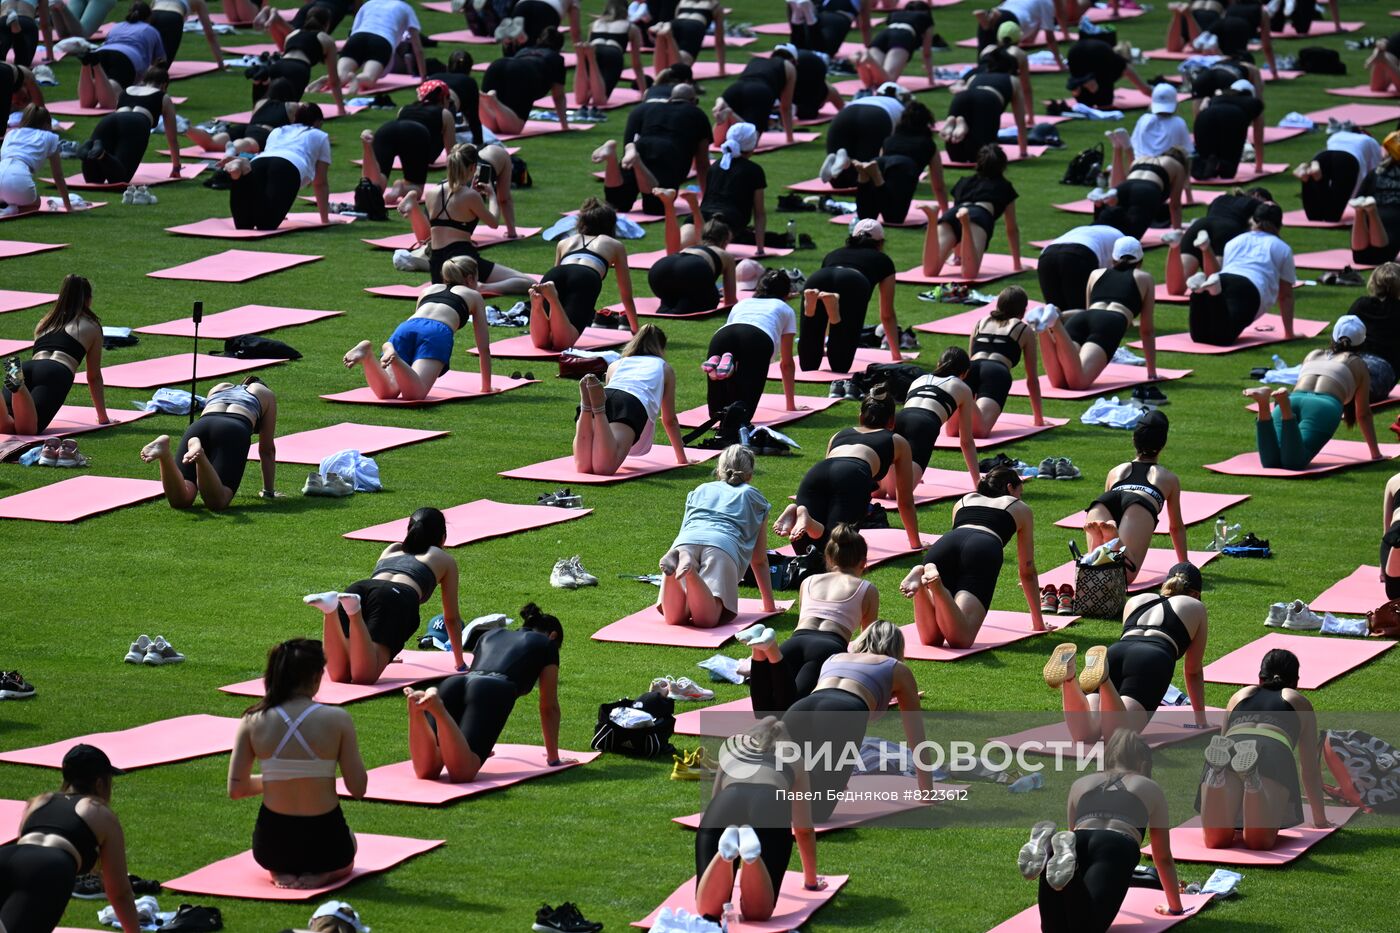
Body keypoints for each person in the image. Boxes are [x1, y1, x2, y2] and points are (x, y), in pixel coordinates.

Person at [228, 639, 367, 889]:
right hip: (328, 848)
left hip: (272, 848)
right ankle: (324, 876)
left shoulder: (252, 720)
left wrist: (277, 776)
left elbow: (237, 789)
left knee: (285, 852)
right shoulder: (338, 719)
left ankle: (278, 873)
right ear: (315, 677)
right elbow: (358, 788)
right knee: (351, 847)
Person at [1024, 730, 1188, 932]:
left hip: (1077, 839)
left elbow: (1070, 835)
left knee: (1054, 929)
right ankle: (1069, 870)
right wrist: (1175, 908)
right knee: (1087, 929)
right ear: (1144, 762)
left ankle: (1049, 850)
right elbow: (1161, 856)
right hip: (1116, 844)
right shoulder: (1150, 787)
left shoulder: (1080, 784)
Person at [781, 620, 930, 820]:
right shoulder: (897, 668)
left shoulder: (835, 658)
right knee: (817, 812)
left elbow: (822, 710)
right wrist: (926, 790)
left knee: (782, 785)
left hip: (800, 709)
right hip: (844, 713)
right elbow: (916, 734)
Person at [1046, 563, 1209, 744]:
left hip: (1115, 652)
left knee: (1085, 734)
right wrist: (1200, 721)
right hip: (1152, 658)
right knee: (1118, 735)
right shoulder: (1195, 606)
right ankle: (1105, 679)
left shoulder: (1137, 600)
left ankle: (1069, 678)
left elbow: (1130, 640)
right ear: (1195, 594)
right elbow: (1192, 670)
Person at [403, 603, 569, 782]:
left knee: (427, 772)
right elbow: (548, 706)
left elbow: (473, 688)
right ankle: (439, 712)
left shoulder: (491, 635)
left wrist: (481, 741)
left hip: (455, 683)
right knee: (462, 773)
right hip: (493, 688)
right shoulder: (547, 645)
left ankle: (417, 711)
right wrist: (553, 759)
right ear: (553, 636)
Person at [302, 508, 466, 683]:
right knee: (364, 678)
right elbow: (451, 618)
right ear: (443, 537)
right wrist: (460, 663)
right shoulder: (443, 558)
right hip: (394, 597)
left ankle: (330, 610)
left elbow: (375, 600)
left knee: (339, 675)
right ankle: (353, 612)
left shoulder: (392, 548)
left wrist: (385, 654)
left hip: (358, 589)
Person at [1197, 648, 1330, 850]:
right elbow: (1309, 769)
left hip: (1233, 744)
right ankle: (1252, 780)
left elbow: (1225, 740)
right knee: (1258, 842)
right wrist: (1320, 821)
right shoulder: (1298, 701)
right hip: (1271, 750)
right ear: (1296, 681)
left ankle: (1216, 775)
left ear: (1260, 678)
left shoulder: (1239, 695)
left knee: (1216, 841)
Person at [0, 743, 141, 932]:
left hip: (7, 857)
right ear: (100, 783)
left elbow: (25, 854)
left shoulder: (40, 801)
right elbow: (119, 892)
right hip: (49, 868)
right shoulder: (99, 811)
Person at [694, 719, 822, 922]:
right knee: (758, 913)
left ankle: (725, 854)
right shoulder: (795, 758)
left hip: (727, 802)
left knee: (707, 910)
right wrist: (811, 882)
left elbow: (713, 802)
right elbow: (804, 829)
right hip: (768, 803)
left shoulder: (732, 749)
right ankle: (751, 856)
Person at [900, 467, 1043, 647]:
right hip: (982, 548)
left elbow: (959, 545)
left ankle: (923, 582)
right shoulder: (1018, 507)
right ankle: (936, 587)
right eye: (1019, 492)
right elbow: (1027, 570)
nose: (1020, 497)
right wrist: (1038, 623)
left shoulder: (964, 500)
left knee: (932, 639)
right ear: (1010, 488)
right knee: (961, 639)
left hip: (944, 546)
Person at [745, 523, 877, 712]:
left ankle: (760, 650)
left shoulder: (808, 581)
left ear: (829, 558)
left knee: (765, 710)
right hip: (827, 648)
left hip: (794, 642)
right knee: (791, 708)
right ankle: (766, 648)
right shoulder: (866, 588)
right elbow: (868, 643)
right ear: (863, 562)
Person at [773, 388, 922, 555]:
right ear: (892, 421)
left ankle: (799, 513)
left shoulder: (839, 434)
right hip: (852, 475)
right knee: (836, 550)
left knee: (806, 551)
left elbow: (830, 480)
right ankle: (804, 517)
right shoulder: (897, 441)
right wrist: (916, 543)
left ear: (860, 416)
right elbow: (905, 500)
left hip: (817, 473)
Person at [1243, 316, 1381, 470]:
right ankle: (1284, 407)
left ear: (1333, 337)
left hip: (1294, 398)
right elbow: (1363, 414)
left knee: (1271, 462)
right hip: (1322, 407)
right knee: (1294, 462)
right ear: (1362, 342)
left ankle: (1264, 404)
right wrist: (1376, 454)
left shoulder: (1313, 354)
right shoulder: (1358, 364)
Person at [661, 444, 777, 628]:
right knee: (707, 620)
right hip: (722, 546)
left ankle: (676, 564)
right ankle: (689, 571)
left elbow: (685, 529)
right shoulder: (753, 496)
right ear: (750, 475)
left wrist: (682, 549)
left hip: (684, 542)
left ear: (719, 471)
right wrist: (769, 606)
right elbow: (759, 559)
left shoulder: (700, 489)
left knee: (675, 619)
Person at [343, 257, 490, 400]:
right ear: (470, 278)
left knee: (387, 392)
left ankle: (367, 355)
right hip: (437, 331)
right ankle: (396, 359)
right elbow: (483, 347)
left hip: (407, 327)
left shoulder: (429, 289)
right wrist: (486, 387)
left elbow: (418, 321)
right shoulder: (474, 295)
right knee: (415, 395)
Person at [1032, 235, 1157, 391]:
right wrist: (1152, 373)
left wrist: (1064, 315)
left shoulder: (1096, 274)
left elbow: (1088, 311)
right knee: (1078, 383)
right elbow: (1146, 330)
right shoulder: (1144, 278)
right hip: (1110, 322)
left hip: (1083, 318)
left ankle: (1048, 327)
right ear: (1140, 260)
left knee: (1059, 382)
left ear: (1113, 258)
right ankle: (1054, 323)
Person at [404, 144, 531, 294]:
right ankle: (482, 286)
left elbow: (451, 223)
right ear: (472, 168)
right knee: (528, 282)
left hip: (437, 265)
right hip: (464, 262)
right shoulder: (470, 196)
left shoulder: (432, 194)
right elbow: (494, 223)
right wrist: (491, 195)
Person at [139, 376, 278, 510]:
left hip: (200, 426)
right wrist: (268, 492)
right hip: (233, 428)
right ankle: (200, 457)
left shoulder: (219, 387)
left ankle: (165, 455)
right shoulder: (266, 393)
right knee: (218, 502)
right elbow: (267, 450)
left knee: (181, 500)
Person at [1081, 411, 1188, 584]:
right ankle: (1113, 540)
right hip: (1140, 504)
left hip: (1103, 504)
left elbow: (1114, 508)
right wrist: (1184, 564)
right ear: (1163, 444)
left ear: (1134, 440)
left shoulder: (1115, 471)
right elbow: (1175, 528)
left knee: (1097, 569)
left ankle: (1101, 545)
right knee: (1125, 576)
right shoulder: (1168, 478)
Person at [1, 275, 108, 436]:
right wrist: (103, 418)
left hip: (27, 366)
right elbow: (93, 377)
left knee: (6, 426)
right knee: (28, 429)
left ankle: (16, 379)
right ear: (88, 298)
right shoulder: (91, 325)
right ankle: (19, 387)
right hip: (56, 371)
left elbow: (38, 366)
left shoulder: (45, 322)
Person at [573, 324, 686, 475]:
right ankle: (598, 410)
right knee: (604, 469)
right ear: (662, 347)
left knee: (583, 468)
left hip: (609, 394)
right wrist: (682, 458)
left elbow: (611, 395)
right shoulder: (664, 368)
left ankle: (587, 407)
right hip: (630, 403)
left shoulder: (615, 364)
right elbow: (669, 419)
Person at [532, 197, 637, 352]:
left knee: (543, 343)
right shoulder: (614, 245)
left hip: (554, 275)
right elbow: (625, 294)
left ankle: (537, 306)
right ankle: (552, 300)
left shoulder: (565, 242)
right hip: (585, 277)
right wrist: (635, 330)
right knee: (562, 344)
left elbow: (558, 280)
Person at [1187, 201, 1295, 346]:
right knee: (1223, 337)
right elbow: (1286, 296)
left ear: (1253, 220)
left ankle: (1198, 293)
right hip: (1249, 288)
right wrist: (1289, 333)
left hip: (1223, 278)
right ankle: (1214, 292)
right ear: (1279, 225)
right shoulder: (1282, 248)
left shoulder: (1235, 240)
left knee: (1199, 336)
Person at [593, 84, 711, 217]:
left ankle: (612, 158)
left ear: (670, 98)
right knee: (656, 207)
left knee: (616, 204)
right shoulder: (698, 115)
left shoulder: (650, 108)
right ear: (694, 101)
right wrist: (707, 197)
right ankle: (638, 163)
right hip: (668, 153)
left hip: (639, 145)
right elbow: (702, 163)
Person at [801, 220, 900, 373]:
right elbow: (887, 314)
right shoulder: (883, 260)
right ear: (880, 243)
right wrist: (896, 354)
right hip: (854, 282)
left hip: (817, 278)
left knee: (808, 365)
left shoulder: (833, 254)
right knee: (840, 365)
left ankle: (811, 312)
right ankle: (835, 312)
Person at [703, 268, 799, 424]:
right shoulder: (785, 309)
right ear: (787, 292)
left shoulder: (744, 302)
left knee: (716, 412)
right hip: (757, 338)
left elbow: (734, 326)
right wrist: (791, 406)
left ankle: (728, 368)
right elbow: (786, 363)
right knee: (743, 412)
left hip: (722, 336)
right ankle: (731, 370)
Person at [218, 103, 331, 232]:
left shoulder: (278, 130)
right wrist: (325, 219)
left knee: (243, 225)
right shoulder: (320, 135)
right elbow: (320, 182)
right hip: (288, 166)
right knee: (266, 224)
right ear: (318, 122)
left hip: (258, 162)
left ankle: (240, 173)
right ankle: (244, 168)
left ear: (295, 118)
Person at [919, 144, 1021, 281]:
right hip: (978, 216)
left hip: (952, 214)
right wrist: (1017, 264)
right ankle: (966, 223)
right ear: (1003, 166)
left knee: (929, 271)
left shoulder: (964, 182)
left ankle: (932, 220)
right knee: (969, 274)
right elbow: (1011, 229)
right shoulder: (1005, 186)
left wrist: (957, 256)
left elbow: (956, 216)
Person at [76, 64, 181, 185]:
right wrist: (176, 167)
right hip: (136, 123)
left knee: (93, 179)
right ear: (164, 85)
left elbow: (118, 125)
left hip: (109, 120)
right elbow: (172, 138)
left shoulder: (127, 90)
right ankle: (102, 154)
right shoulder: (164, 97)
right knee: (120, 179)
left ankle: (91, 148)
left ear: (144, 80)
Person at [1160, 185, 1273, 296]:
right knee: (1217, 287)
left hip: (1199, 226)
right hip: (1227, 230)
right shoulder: (1257, 205)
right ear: (1257, 195)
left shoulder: (1220, 198)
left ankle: (1174, 246)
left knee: (1176, 290)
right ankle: (1205, 248)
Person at [893, 347, 981, 488]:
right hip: (925, 423)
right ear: (965, 373)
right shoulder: (963, 388)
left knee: (889, 474)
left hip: (900, 418)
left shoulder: (920, 379)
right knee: (898, 492)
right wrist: (978, 482)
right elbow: (966, 441)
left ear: (939, 364)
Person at [849, 100, 948, 226]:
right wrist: (945, 212)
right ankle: (875, 177)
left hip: (879, 162)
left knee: (866, 216)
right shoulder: (928, 145)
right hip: (903, 167)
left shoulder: (889, 140)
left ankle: (863, 177)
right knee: (894, 218)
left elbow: (883, 166)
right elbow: (938, 186)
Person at [359, 81, 456, 205]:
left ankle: (367, 147)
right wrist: (454, 183)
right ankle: (402, 189)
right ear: (444, 98)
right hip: (417, 134)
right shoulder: (445, 114)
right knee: (417, 190)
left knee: (377, 186)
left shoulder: (403, 109)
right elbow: (452, 154)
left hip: (387, 129)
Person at [963, 286, 1043, 436]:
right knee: (980, 431)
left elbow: (968, 363)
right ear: (1023, 310)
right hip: (996, 372)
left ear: (998, 304)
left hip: (971, 369)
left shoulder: (980, 323)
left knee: (954, 431)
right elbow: (1032, 378)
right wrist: (1039, 419)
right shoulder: (1023, 329)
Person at [693, 122, 770, 251]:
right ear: (752, 146)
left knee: (686, 243)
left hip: (702, 216)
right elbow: (759, 213)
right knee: (709, 250)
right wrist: (760, 249)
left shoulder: (716, 166)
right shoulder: (754, 170)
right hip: (729, 221)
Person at [250, 6, 344, 112]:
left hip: (278, 65)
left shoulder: (293, 34)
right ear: (327, 24)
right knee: (286, 110)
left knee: (265, 105)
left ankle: (257, 100)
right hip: (298, 69)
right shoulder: (327, 39)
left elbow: (284, 50)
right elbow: (334, 81)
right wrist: (341, 109)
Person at [647, 208, 737, 316]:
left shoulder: (691, 247)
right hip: (691, 270)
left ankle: (668, 304)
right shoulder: (725, 255)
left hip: (659, 270)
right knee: (711, 299)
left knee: (678, 292)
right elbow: (730, 299)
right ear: (725, 240)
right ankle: (681, 307)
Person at [479, 29, 571, 135]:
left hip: (498, 65)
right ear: (560, 47)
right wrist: (565, 126)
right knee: (513, 129)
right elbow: (558, 96)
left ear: (538, 40)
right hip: (524, 72)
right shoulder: (556, 59)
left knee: (491, 127)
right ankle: (494, 102)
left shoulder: (524, 50)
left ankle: (482, 100)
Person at [819, 81, 907, 189]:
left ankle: (844, 162)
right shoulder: (902, 109)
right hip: (876, 117)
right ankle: (847, 163)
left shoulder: (866, 98)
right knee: (866, 174)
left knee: (838, 183)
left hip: (844, 115)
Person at [76, 3, 163, 112]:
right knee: (110, 101)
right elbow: (160, 60)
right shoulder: (150, 29)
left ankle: (87, 64)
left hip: (101, 52)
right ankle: (96, 65)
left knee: (88, 102)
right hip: (126, 57)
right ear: (149, 17)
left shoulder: (117, 26)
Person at [941, 58, 1029, 163]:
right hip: (988, 99)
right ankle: (962, 128)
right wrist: (1023, 153)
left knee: (956, 158)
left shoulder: (975, 76)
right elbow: (1020, 122)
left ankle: (958, 126)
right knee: (982, 155)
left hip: (962, 96)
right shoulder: (1012, 79)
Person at [330, 0, 423, 97]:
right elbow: (418, 50)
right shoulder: (406, 8)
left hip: (357, 38)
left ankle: (326, 80)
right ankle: (358, 79)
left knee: (341, 76)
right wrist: (423, 78)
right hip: (381, 41)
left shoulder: (369, 3)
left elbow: (353, 31)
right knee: (369, 78)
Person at [1093, 145, 1188, 239]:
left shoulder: (1142, 159)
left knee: (1112, 218)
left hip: (1125, 186)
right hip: (1148, 190)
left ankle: (1098, 209)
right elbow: (1175, 206)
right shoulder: (1178, 166)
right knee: (1132, 236)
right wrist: (1178, 233)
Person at [1296, 129, 1383, 224]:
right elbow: (1376, 172)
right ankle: (1318, 179)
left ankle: (1308, 178)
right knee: (1332, 217)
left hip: (1322, 157)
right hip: (1346, 160)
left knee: (1314, 217)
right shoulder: (1370, 141)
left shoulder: (1337, 135)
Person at [1036, 224, 1123, 316]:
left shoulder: (1092, 231)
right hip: (1079, 255)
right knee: (1079, 314)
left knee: (1054, 314)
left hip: (1046, 256)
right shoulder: (1121, 240)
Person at [0, 103, 70, 216]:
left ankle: (7, 206)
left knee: (7, 194)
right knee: (36, 203)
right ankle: (13, 210)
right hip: (18, 179)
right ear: (47, 124)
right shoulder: (50, 137)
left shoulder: (10, 134)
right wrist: (68, 207)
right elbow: (58, 176)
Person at [714, 47, 796, 144]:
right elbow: (786, 107)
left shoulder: (756, 60)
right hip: (760, 91)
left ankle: (726, 110)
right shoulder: (789, 67)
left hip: (735, 88)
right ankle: (730, 113)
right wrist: (790, 139)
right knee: (752, 141)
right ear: (792, 60)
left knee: (719, 142)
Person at [574, 0, 644, 110]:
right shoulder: (631, 27)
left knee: (581, 100)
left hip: (594, 50)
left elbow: (588, 46)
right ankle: (594, 84)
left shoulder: (595, 24)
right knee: (600, 101)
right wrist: (644, 92)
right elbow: (636, 64)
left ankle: (590, 77)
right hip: (613, 54)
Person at [1192, 79, 1265, 182]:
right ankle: (1219, 165)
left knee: (1204, 160)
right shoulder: (1255, 103)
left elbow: (1202, 108)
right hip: (1234, 117)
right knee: (1228, 172)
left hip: (1204, 117)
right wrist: (1259, 167)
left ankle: (1203, 166)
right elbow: (1258, 136)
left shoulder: (1216, 97)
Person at [1348, 262, 1400, 404]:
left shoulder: (1361, 304)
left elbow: (1343, 335)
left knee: (1335, 385)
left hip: (1353, 361)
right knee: (1361, 393)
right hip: (1383, 368)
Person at [851, 0, 935, 87]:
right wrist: (931, 81)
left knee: (871, 82)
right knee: (888, 82)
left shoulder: (895, 14)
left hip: (883, 35)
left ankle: (859, 60)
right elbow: (927, 54)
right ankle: (870, 60)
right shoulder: (926, 18)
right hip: (902, 36)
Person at [1349, 131, 1400, 267]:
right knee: (1383, 256)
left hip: (1365, 229)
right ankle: (1372, 211)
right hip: (1393, 226)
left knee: (1360, 257)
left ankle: (1363, 211)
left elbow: (1359, 195)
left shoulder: (1376, 172)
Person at [1065, 37, 1152, 111]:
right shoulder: (1121, 64)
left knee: (1085, 97)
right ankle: (1087, 87)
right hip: (1097, 54)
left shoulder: (1112, 59)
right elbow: (1144, 89)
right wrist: (1158, 95)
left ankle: (1078, 87)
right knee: (1104, 103)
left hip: (1074, 52)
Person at [652, 0, 727, 78]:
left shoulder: (683, 1)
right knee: (681, 69)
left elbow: (677, 19)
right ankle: (668, 36)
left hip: (674, 24)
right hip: (693, 26)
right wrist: (722, 70)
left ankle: (662, 31)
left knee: (664, 67)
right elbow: (719, 41)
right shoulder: (714, 5)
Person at [424, 50, 483, 148]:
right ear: (469, 69)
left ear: (448, 66)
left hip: (421, 112)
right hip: (444, 113)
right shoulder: (469, 82)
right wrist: (479, 143)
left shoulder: (434, 77)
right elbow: (473, 118)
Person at [1127, 83, 1192, 160]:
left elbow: (1133, 146)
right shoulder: (1179, 123)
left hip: (1139, 166)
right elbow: (1188, 151)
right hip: (1167, 168)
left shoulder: (1143, 119)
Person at [789, 0, 872, 58]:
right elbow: (865, 26)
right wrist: (869, 47)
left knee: (801, 48)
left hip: (820, 16)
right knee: (823, 53)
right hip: (839, 20)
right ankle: (810, 20)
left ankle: (797, 20)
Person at [149, 0, 223, 64]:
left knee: (150, 56)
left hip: (154, 15)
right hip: (173, 16)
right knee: (161, 66)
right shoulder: (198, 2)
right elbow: (210, 34)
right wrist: (221, 64)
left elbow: (147, 13)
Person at [504, 0, 581, 48]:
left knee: (512, 47)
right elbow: (575, 32)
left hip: (521, 5)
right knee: (539, 51)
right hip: (546, 10)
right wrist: (582, 56)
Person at [0, 0, 50, 69]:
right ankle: (15, 26)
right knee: (23, 62)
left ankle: (13, 22)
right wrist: (50, 55)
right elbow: (45, 25)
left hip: (4, 19)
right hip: (26, 21)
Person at [0, 60, 43, 130]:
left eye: (18, 103)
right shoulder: (27, 75)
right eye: (24, 98)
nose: (20, 101)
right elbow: (40, 107)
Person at [1381, 469, 1400, 598]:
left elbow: (1386, 529)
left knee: (1395, 595)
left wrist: (1382, 567)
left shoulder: (1394, 480)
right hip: (1396, 536)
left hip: (1394, 536)